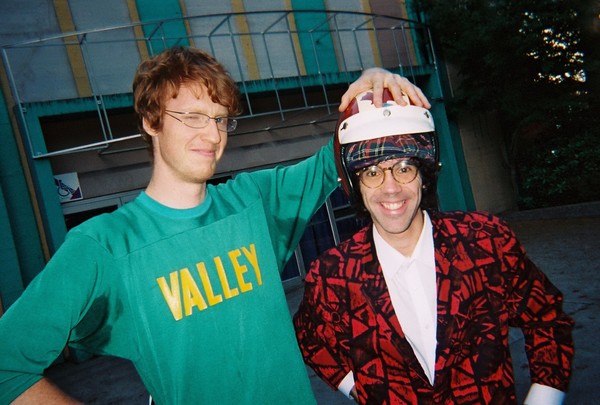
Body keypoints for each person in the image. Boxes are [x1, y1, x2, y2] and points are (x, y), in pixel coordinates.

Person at [0, 47, 429, 405]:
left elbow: (335, 156)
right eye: (192, 116)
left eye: (220, 118)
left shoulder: (254, 203)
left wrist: (374, 82)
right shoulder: (105, 246)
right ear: (151, 121)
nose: (212, 134)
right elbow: (7, 367)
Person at [293, 90, 575, 404]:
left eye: (404, 168)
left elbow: (547, 318)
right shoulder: (333, 273)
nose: (391, 188)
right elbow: (309, 338)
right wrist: (357, 389)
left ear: (424, 176)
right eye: (372, 172)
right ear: (354, 183)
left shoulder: (484, 241)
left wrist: (544, 396)